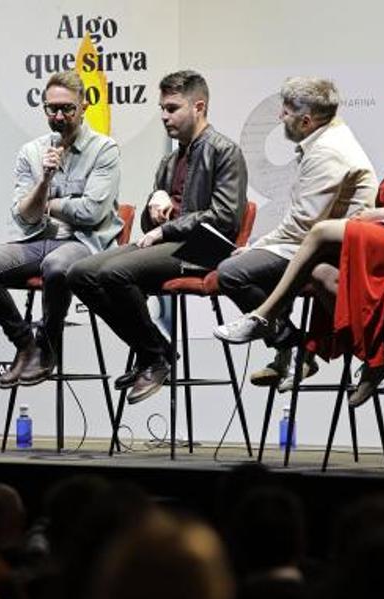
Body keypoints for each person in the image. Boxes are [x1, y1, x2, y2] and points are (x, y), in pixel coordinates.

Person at [215, 77, 384, 407]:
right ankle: (375, 358)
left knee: (320, 233)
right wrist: (383, 216)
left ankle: (264, 317)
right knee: (321, 273)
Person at [68, 70, 247, 403]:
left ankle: (153, 356)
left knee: (114, 272)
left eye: (172, 108)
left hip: (204, 250)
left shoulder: (224, 151)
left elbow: (224, 218)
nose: (164, 117)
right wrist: (154, 213)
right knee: (79, 273)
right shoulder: (169, 160)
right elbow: (149, 232)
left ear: (199, 106)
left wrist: (167, 225)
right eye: (162, 108)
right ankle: (156, 350)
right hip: (169, 247)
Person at [212, 78, 376, 392]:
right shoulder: (327, 135)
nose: (279, 118)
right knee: (255, 264)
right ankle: (290, 350)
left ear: (306, 120)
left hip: (336, 248)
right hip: (320, 241)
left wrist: (256, 247)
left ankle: (293, 345)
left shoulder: (327, 152)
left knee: (232, 273)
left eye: (285, 112)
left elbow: (303, 225)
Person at [0, 70, 122, 388]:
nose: (59, 115)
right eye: (52, 108)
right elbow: (23, 217)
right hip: (38, 239)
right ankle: (26, 345)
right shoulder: (32, 152)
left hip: (86, 243)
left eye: (67, 108)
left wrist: (50, 205)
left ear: (83, 107)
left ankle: (48, 344)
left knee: (56, 266)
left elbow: (92, 212)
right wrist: (44, 181)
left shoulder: (104, 150)